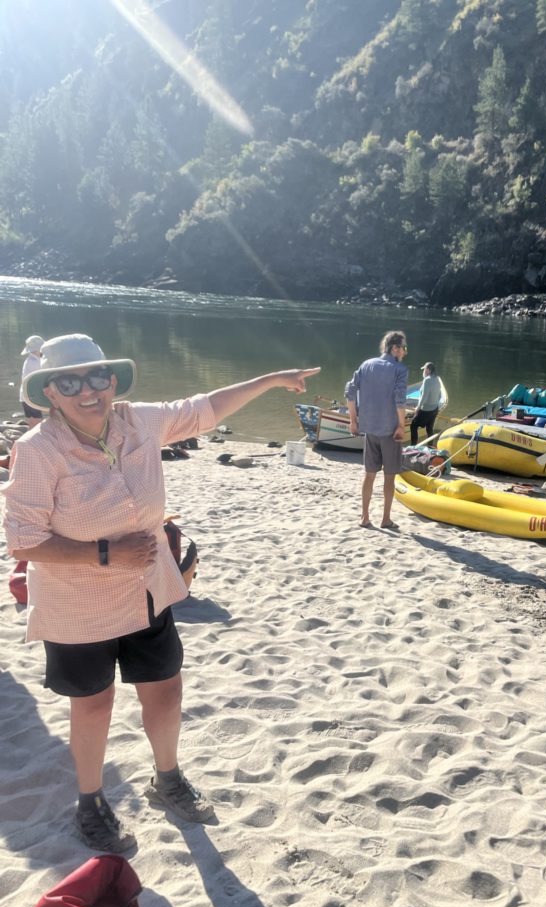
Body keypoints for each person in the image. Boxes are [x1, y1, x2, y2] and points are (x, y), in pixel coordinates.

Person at [2, 333, 320, 852]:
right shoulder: (38, 451)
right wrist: (106, 553)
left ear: (113, 380)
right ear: (51, 393)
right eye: (70, 381)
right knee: (94, 705)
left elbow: (203, 409)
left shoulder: (139, 421)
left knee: (166, 688)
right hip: (77, 604)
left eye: (97, 377)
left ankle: (166, 778)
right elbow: (25, 540)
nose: (89, 391)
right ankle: (90, 800)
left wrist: (270, 380)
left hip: (145, 590)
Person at [345, 330, 408, 529]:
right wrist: (401, 425)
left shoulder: (366, 365)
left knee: (369, 474)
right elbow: (399, 399)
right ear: (394, 348)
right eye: (404, 348)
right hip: (390, 430)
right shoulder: (400, 370)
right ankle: (385, 519)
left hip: (370, 429)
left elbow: (350, 392)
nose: (405, 352)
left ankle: (364, 517)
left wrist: (353, 421)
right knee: (389, 476)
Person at [410, 361, 441, 445]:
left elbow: (424, 396)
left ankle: (413, 447)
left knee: (413, 425)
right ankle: (430, 446)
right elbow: (439, 395)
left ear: (428, 370)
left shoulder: (427, 380)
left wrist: (417, 408)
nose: (423, 371)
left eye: (424, 369)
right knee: (429, 429)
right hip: (435, 409)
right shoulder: (437, 379)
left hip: (426, 410)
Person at [19, 335, 45, 428]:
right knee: (37, 421)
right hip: (30, 395)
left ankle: (31, 438)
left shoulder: (32, 360)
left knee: (32, 420)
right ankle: (37, 440)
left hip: (25, 395)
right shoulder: (34, 362)